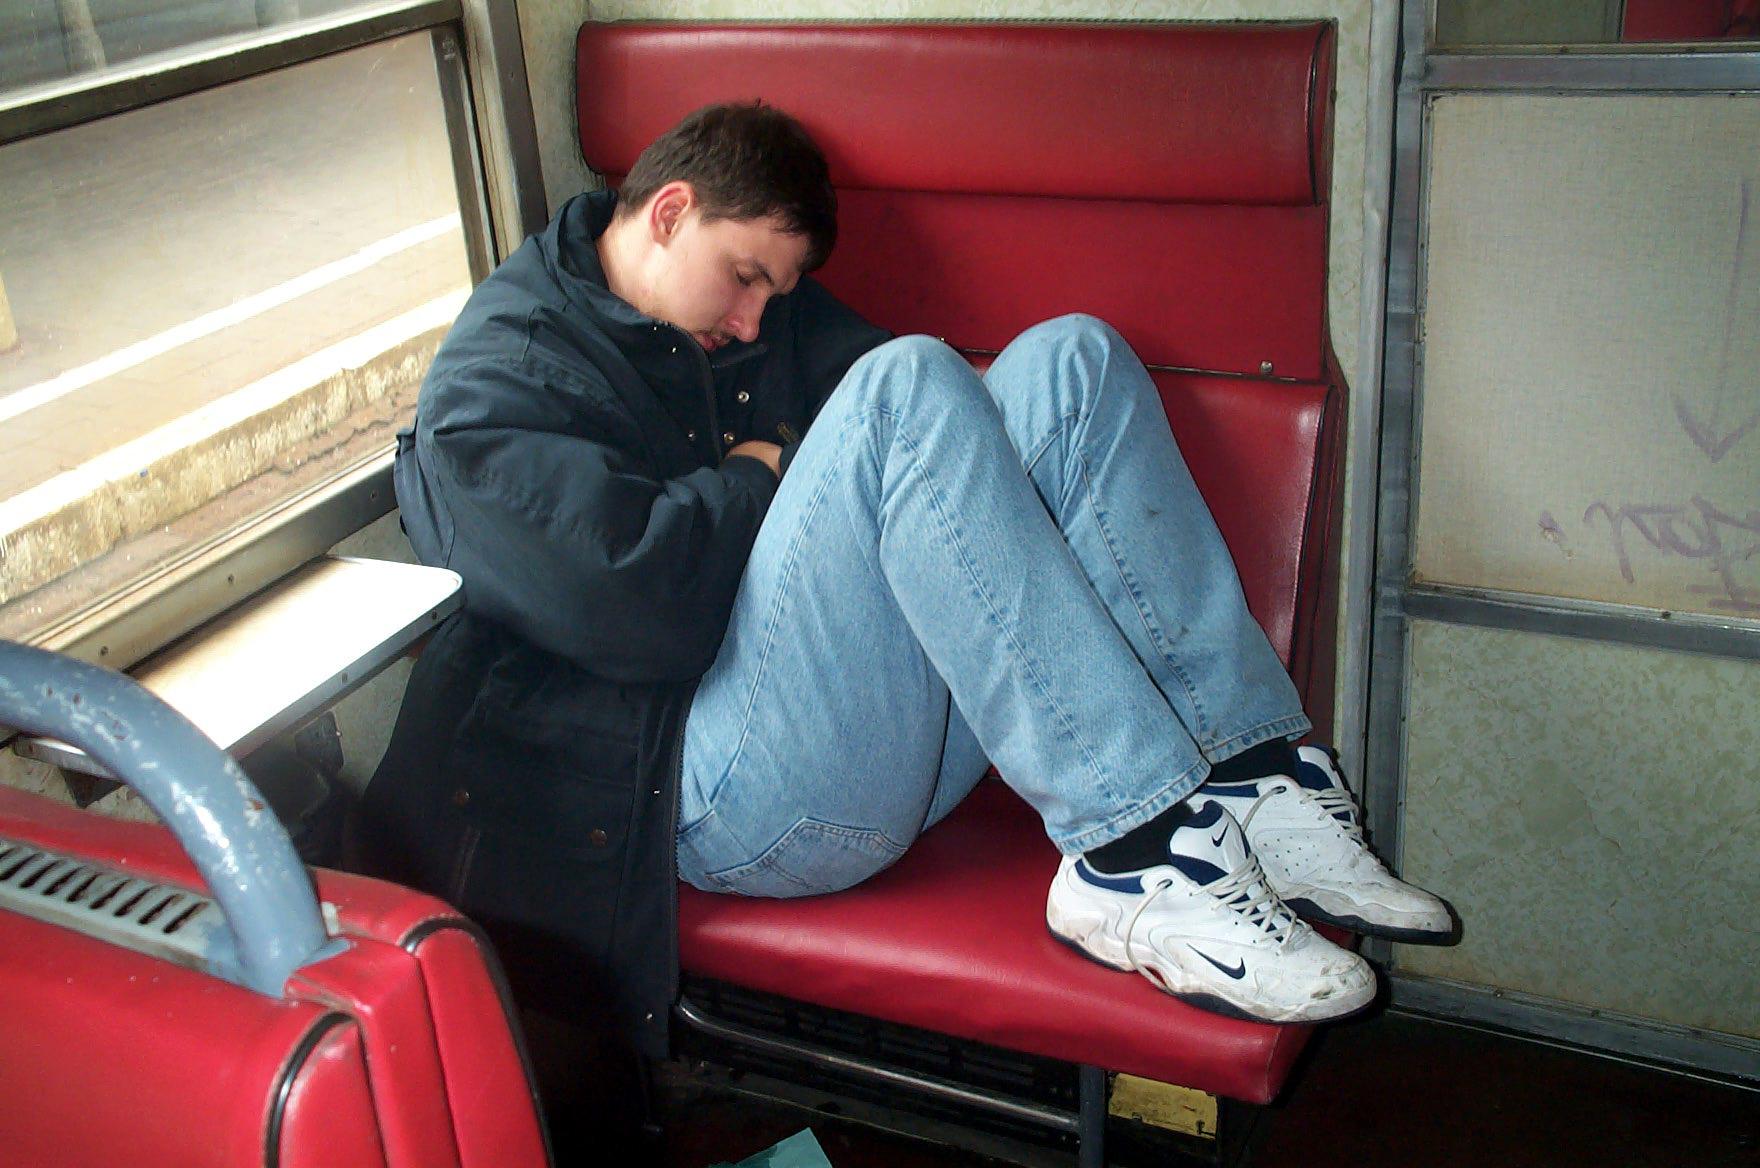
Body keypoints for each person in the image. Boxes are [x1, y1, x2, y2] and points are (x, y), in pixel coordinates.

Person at [361, 102, 1455, 1061]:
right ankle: (1129, 855)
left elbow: (934, 457)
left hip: (861, 739)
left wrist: (788, 458)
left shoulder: (740, 310)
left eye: (773, 293)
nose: (755, 321)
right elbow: (644, 614)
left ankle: (1251, 772)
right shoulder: (500, 383)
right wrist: (752, 477)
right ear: (668, 211)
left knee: (1070, 363)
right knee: (907, 385)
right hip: (703, 795)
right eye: (745, 278)